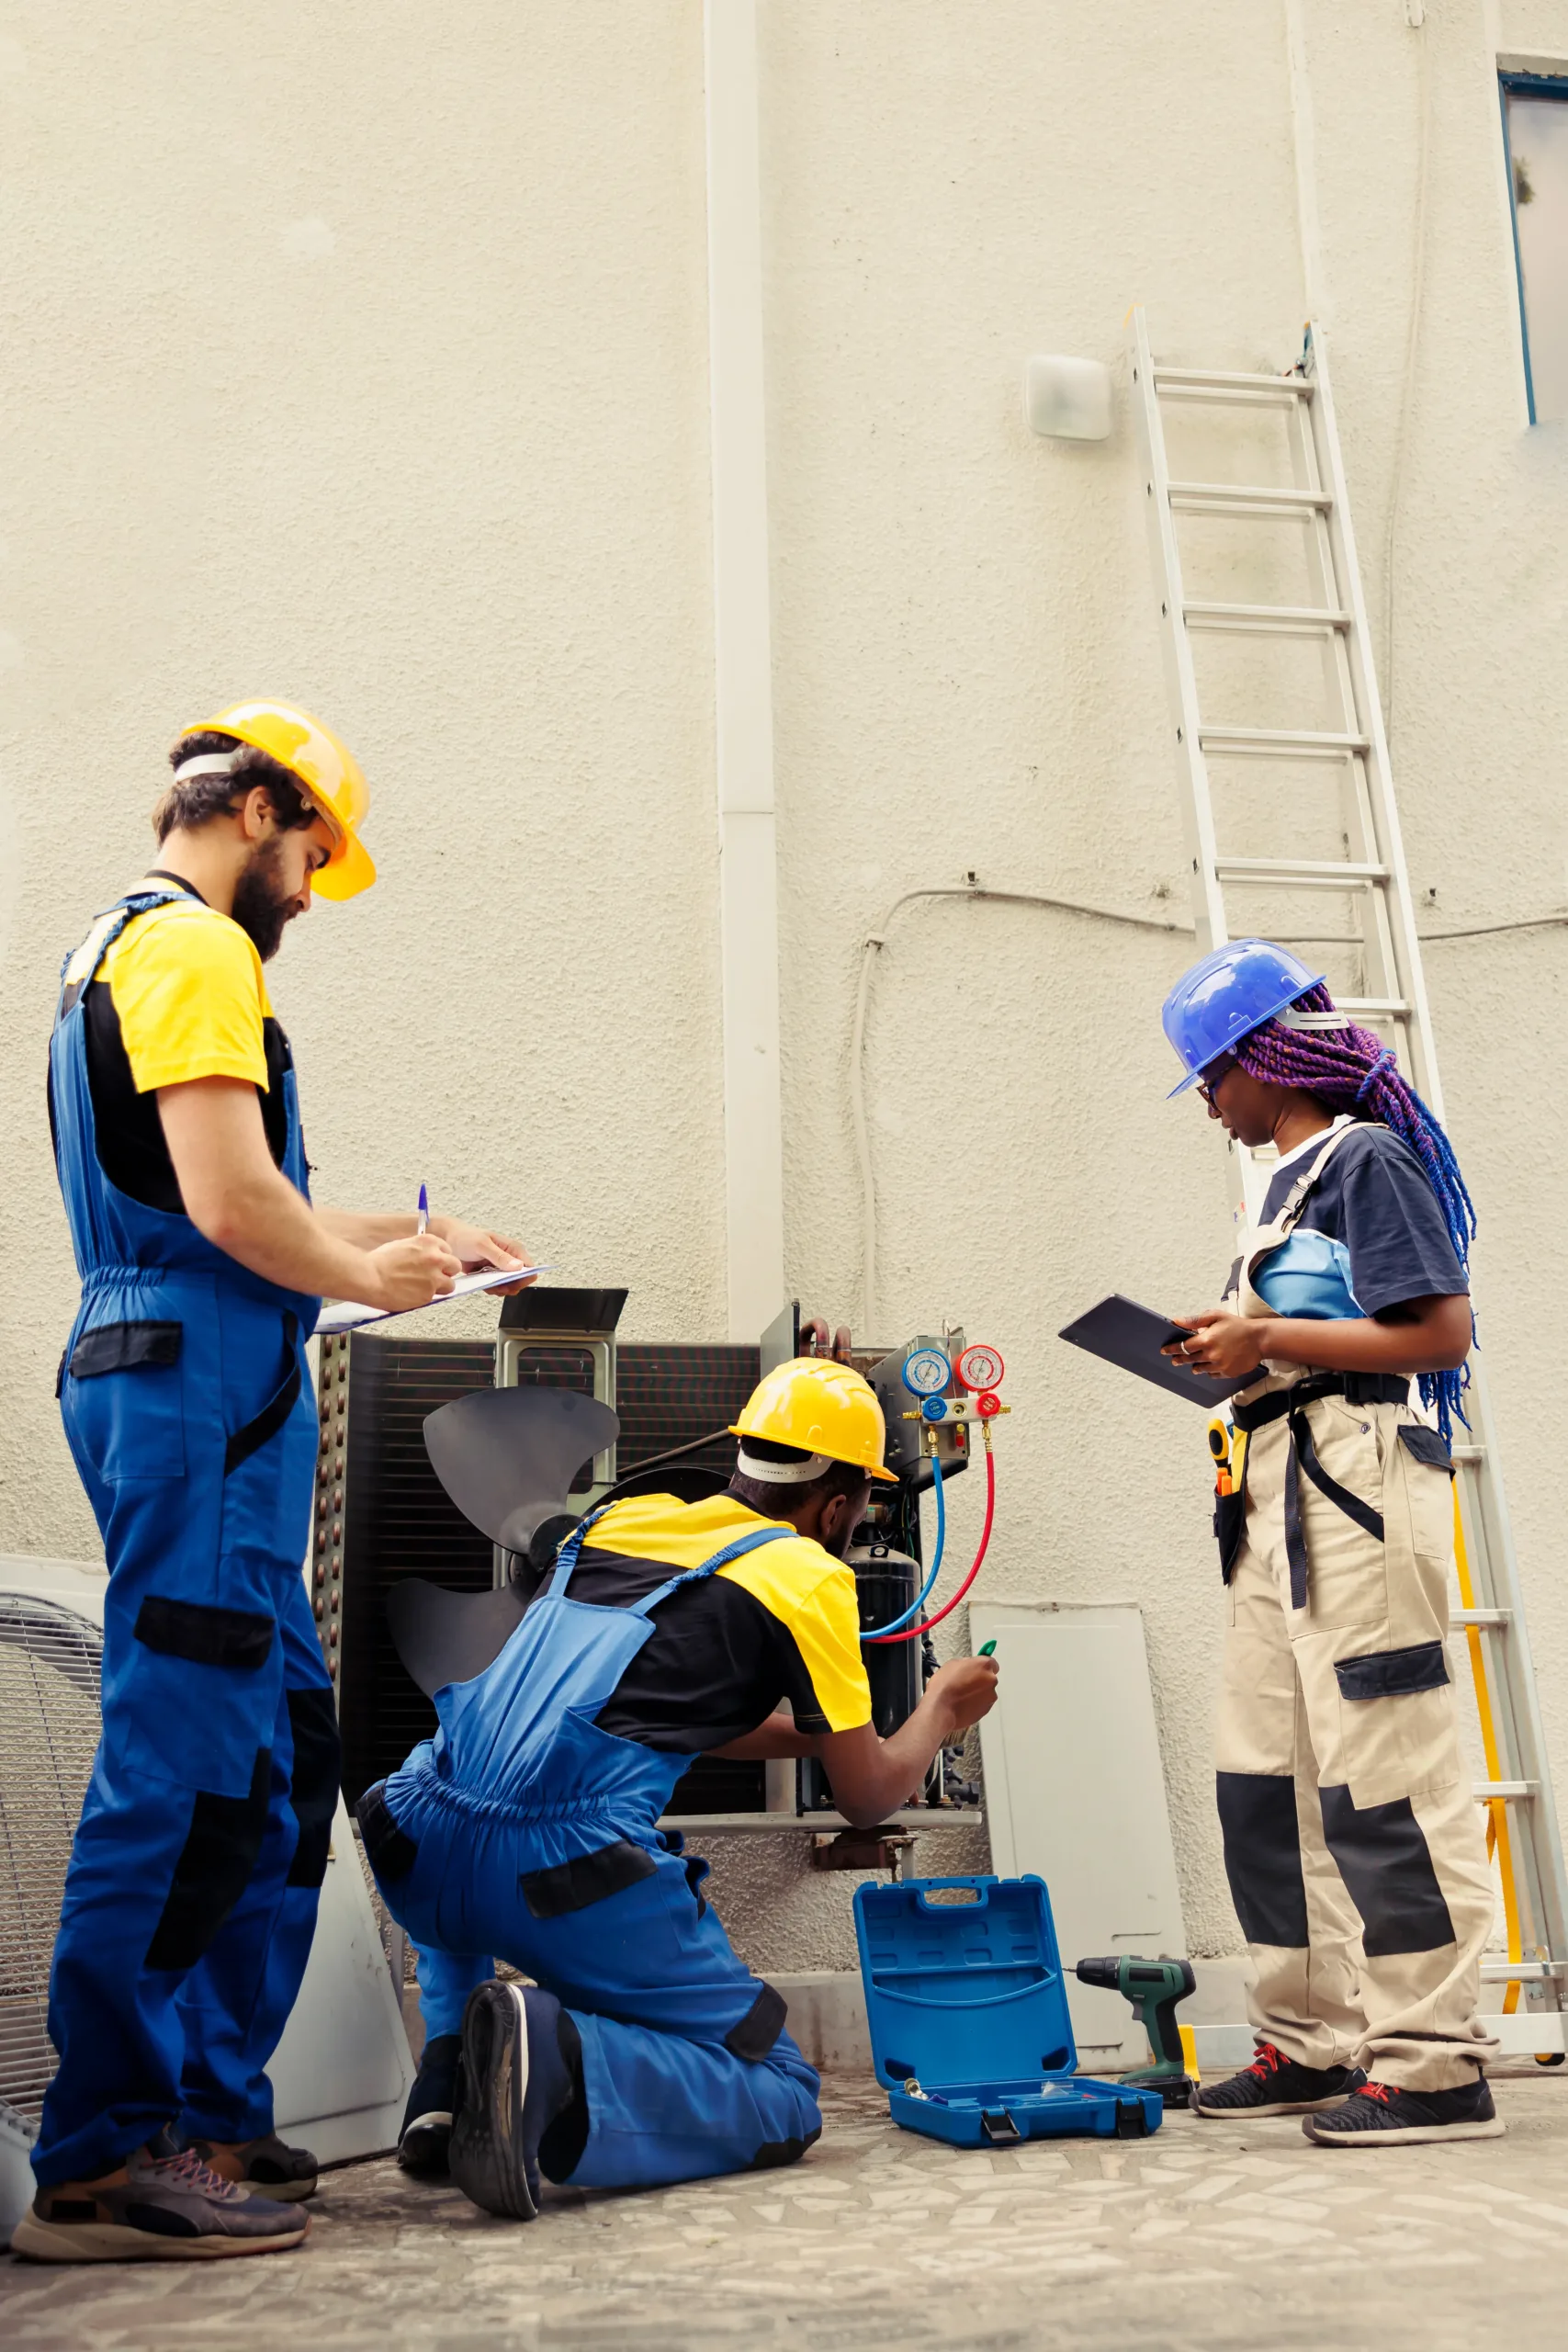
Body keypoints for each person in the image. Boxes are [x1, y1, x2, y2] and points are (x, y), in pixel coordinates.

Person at [17, 702, 534, 2266]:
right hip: (190, 1392)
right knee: (182, 1768)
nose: (311, 889)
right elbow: (237, 1211)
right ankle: (105, 2158)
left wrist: (414, 1243)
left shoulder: (144, 952)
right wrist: (372, 1270)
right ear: (253, 807)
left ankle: (207, 2115)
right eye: (313, 851)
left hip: (210, 1378)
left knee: (269, 1760)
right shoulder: (191, 953)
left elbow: (239, 1207)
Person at [359, 1355, 1000, 2217]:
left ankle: (444, 2080)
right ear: (841, 1505)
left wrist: (821, 1736)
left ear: (743, 1460)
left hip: (412, 1834)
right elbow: (868, 1799)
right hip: (561, 1883)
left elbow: (653, 1707)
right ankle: (556, 2061)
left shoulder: (625, 1518)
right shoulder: (808, 1578)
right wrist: (937, 1713)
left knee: (474, 1795)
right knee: (779, 2088)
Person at [1159, 938, 1501, 2147]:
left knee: (1382, 1771)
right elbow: (1301, 1336)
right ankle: (1310, 2038)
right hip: (1271, 1489)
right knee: (1260, 1779)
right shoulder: (1285, 1187)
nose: (1205, 1102)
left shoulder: (1364, 1159)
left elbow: (1437, 1333)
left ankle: (1429, 2062)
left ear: (1263, 1060)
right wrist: (1234, 1350)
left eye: (1208, 1076)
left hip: (1353, 1485)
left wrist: (1263, 1343)